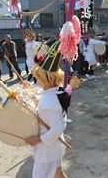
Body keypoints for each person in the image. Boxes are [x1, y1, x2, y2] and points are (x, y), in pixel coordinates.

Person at [25, 41, 71, 178]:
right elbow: (45, 94)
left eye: (38, 76)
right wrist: (31, 89)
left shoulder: (47, 103)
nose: (36, 78)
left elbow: (56, 129)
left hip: (47, 151)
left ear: (43, 78)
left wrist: (37, 140)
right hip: (54, 146)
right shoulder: (55, 92)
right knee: (58, 174)